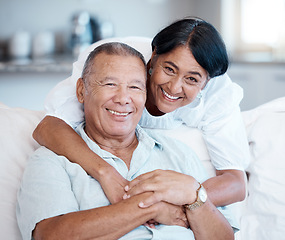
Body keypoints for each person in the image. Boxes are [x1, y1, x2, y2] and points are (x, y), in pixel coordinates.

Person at [16, 42, 234, 240]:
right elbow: (49, 236)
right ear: (82, 91)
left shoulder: (179, 154)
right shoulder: (51, 160)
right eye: (110, 84)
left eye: (135, 87)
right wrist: (149, 207)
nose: (122, 98)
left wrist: (195, 195)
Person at [33, 17, 250, 212]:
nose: (174, 87)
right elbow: (49, 126)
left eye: (192, 79)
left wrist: (172, 204)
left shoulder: (219, 93)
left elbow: (236, 182)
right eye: (169, 69)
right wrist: (106, 173)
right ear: (154, 57)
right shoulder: (113, 61)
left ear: (207, 82)